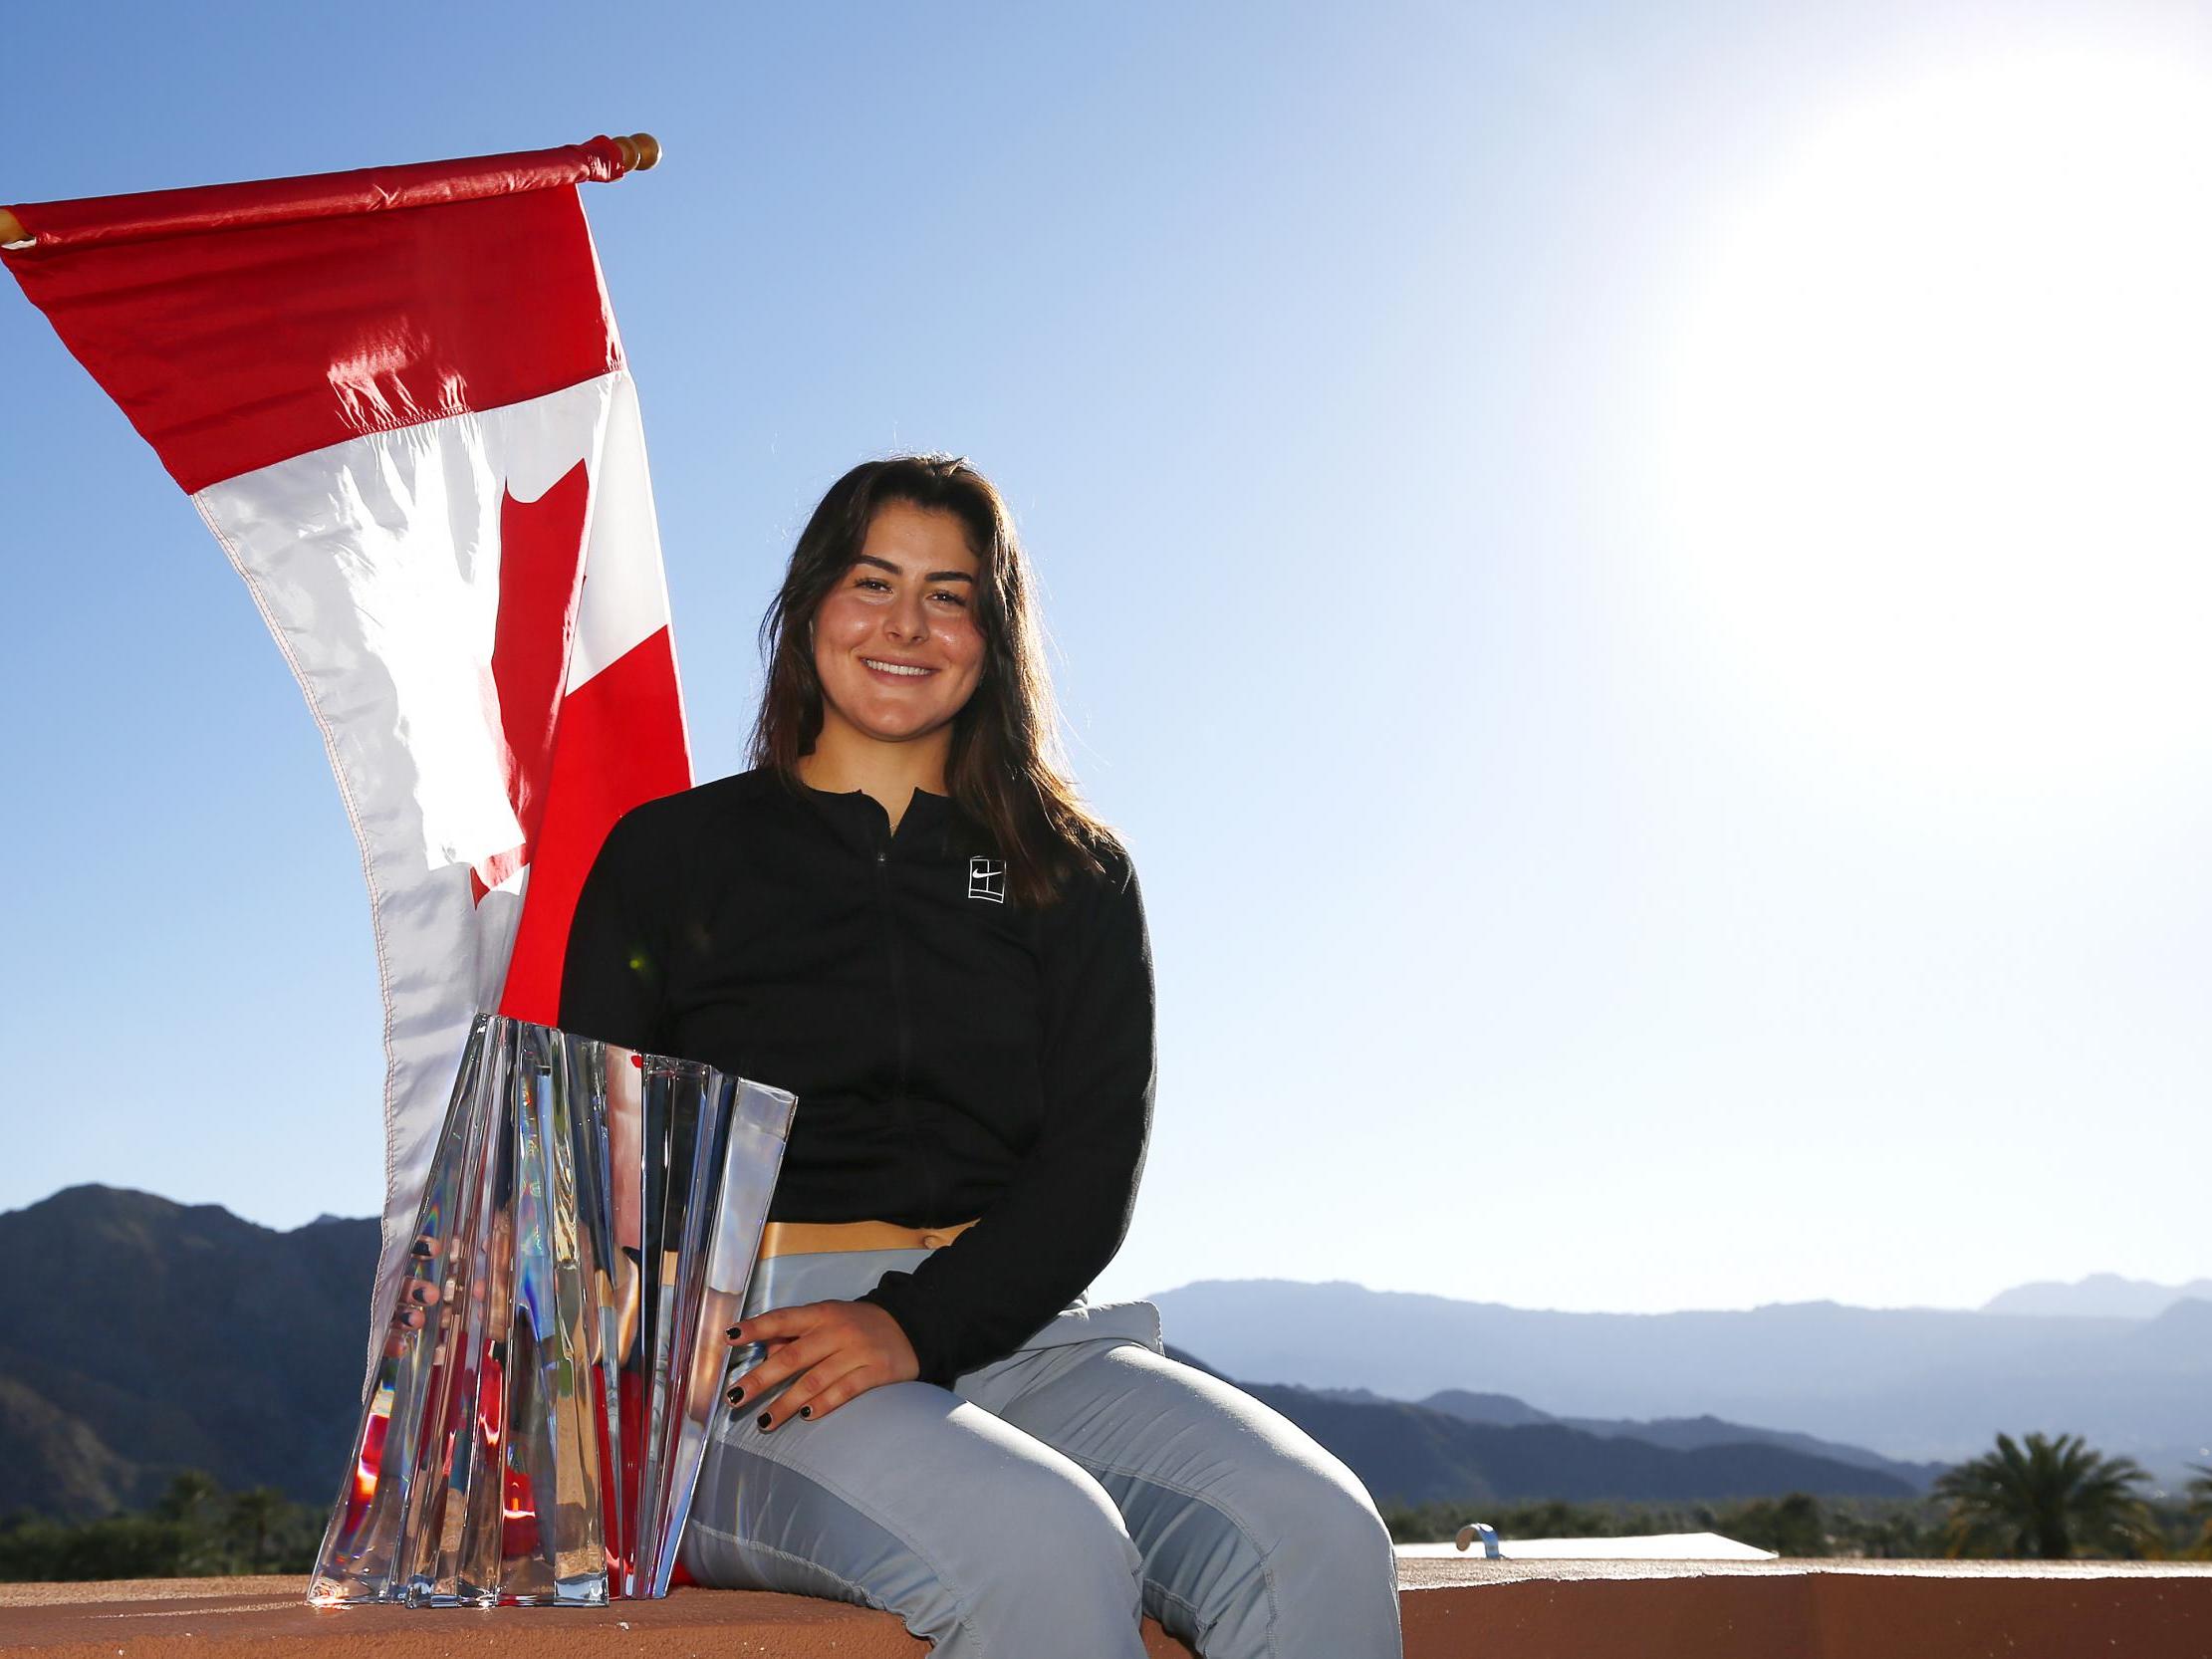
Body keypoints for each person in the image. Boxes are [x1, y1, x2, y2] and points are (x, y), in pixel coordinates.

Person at [559, 454, 1402, 1657]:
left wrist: (915, 1325)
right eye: (872, 582)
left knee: (1318, 1531)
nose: (907, 625)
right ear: (809, 609)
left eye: (950, 595)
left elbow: (1090, 1168)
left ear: (992, 635)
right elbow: (596, 1155)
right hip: (756, 1364)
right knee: (1043, 1546)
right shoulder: (670, 855)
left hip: (1023, 1333)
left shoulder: (1073, 871)